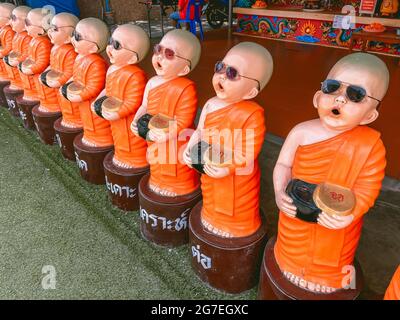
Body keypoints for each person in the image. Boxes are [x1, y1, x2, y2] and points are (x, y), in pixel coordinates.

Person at [273, 52, 389, 293]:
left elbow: (367, 189)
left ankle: (324, 275)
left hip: (335, 213)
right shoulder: (301, 132)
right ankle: (290, 262)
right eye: (332, 88)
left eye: (355, 95)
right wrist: (278, 192)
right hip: (297, 205)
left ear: (370, 115)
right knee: (291, 239)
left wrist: (351, 213)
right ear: (317, 97)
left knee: (334, 244)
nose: (340, 99)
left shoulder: (370, 145)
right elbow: (283, 165)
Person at [183, 42, 273, 238]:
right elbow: (199, 131)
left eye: (232, 73)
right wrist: (189, 149)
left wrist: (227, 168)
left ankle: (236, 226)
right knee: (211, 192)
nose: (222, 76)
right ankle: (211, 215)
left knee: (236, 202)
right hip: (209, 160)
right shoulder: (209, 104)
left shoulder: (252, 114)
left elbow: (248, 152)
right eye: (220, 68)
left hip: (236, 174)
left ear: (250, 92)